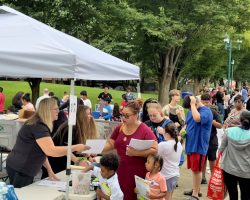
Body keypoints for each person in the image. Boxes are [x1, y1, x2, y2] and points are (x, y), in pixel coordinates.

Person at [6, 98, 90, 188]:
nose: (59, 111)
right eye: (56, 109)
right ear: (47, 110)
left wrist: (50, 170)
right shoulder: (38, 126)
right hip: (22, 168)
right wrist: (75, 147)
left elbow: (43, 151)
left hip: (20, 166)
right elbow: (51, 151)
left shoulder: (39, 123)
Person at [102, 99, 158, 200]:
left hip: (136, 174)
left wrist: (136, 153)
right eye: (122, 114)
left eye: (127, 116)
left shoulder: (144, 130)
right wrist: (96, 148)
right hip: (120, 171)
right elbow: (111, 143)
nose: (123, 118)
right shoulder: (120, 127)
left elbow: (155, 149)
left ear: (136, 115)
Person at [48, 105, 97, 175]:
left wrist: (88, 157)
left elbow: (78, 147)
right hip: (56, 160)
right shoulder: (70, 128)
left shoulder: (80, 128)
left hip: (65, 160)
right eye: (88, 114)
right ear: (81, 116)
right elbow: (66, 150)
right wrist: (78, 161)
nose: (90, 116)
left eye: (90, 114)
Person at [182, 95, 213, 200]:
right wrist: (183, 131)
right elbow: (187, 123)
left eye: (190, 107)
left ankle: (195, 194)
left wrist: (192, 104)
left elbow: (197, 118)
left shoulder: (206, 111)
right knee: (194, 170)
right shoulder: (192, 111)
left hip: (198, 146)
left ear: (195, 102)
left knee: (197, 170)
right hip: (191, 145)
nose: (190, 110)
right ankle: (196, 189)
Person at [219, 111, 250, 200]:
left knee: (232, 195)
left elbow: (221, 149)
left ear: (240, 120)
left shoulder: (229, 131)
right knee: (246, 195)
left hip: (229, 169)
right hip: (246, 171)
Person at [200, 93, 223, 184]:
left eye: (207, 102)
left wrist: (212, 122)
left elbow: (220, 125)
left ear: (210, 102)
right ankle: (202, 177)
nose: (206, 104)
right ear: (201, 101)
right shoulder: (198, 112)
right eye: (204, 102)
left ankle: (213, 178)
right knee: (203, 158)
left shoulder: (213, 112)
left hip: (212, 138)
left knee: (212, 159)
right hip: (201, 139)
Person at [158, 123, 182, 200]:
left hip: (166, 175)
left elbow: (156, 155)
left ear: (167, 134)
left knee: (166, 197)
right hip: (175, 174)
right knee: (169, 196)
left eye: (164, 133)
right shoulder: (179, 145)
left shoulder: (163, 145)